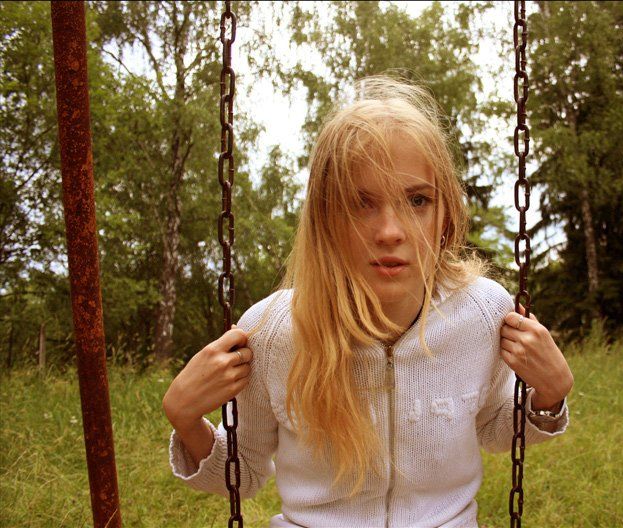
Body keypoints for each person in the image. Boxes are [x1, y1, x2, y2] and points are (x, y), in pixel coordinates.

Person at [162, 76, 573, 527]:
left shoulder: (482, 312)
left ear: (445, 214)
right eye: (361, 203)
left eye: (417, 200)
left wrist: (548, 396)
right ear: (326, 216)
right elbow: (240, 474)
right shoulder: (274, 330)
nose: (390, 232)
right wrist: (185, 418)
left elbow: (497, 430)